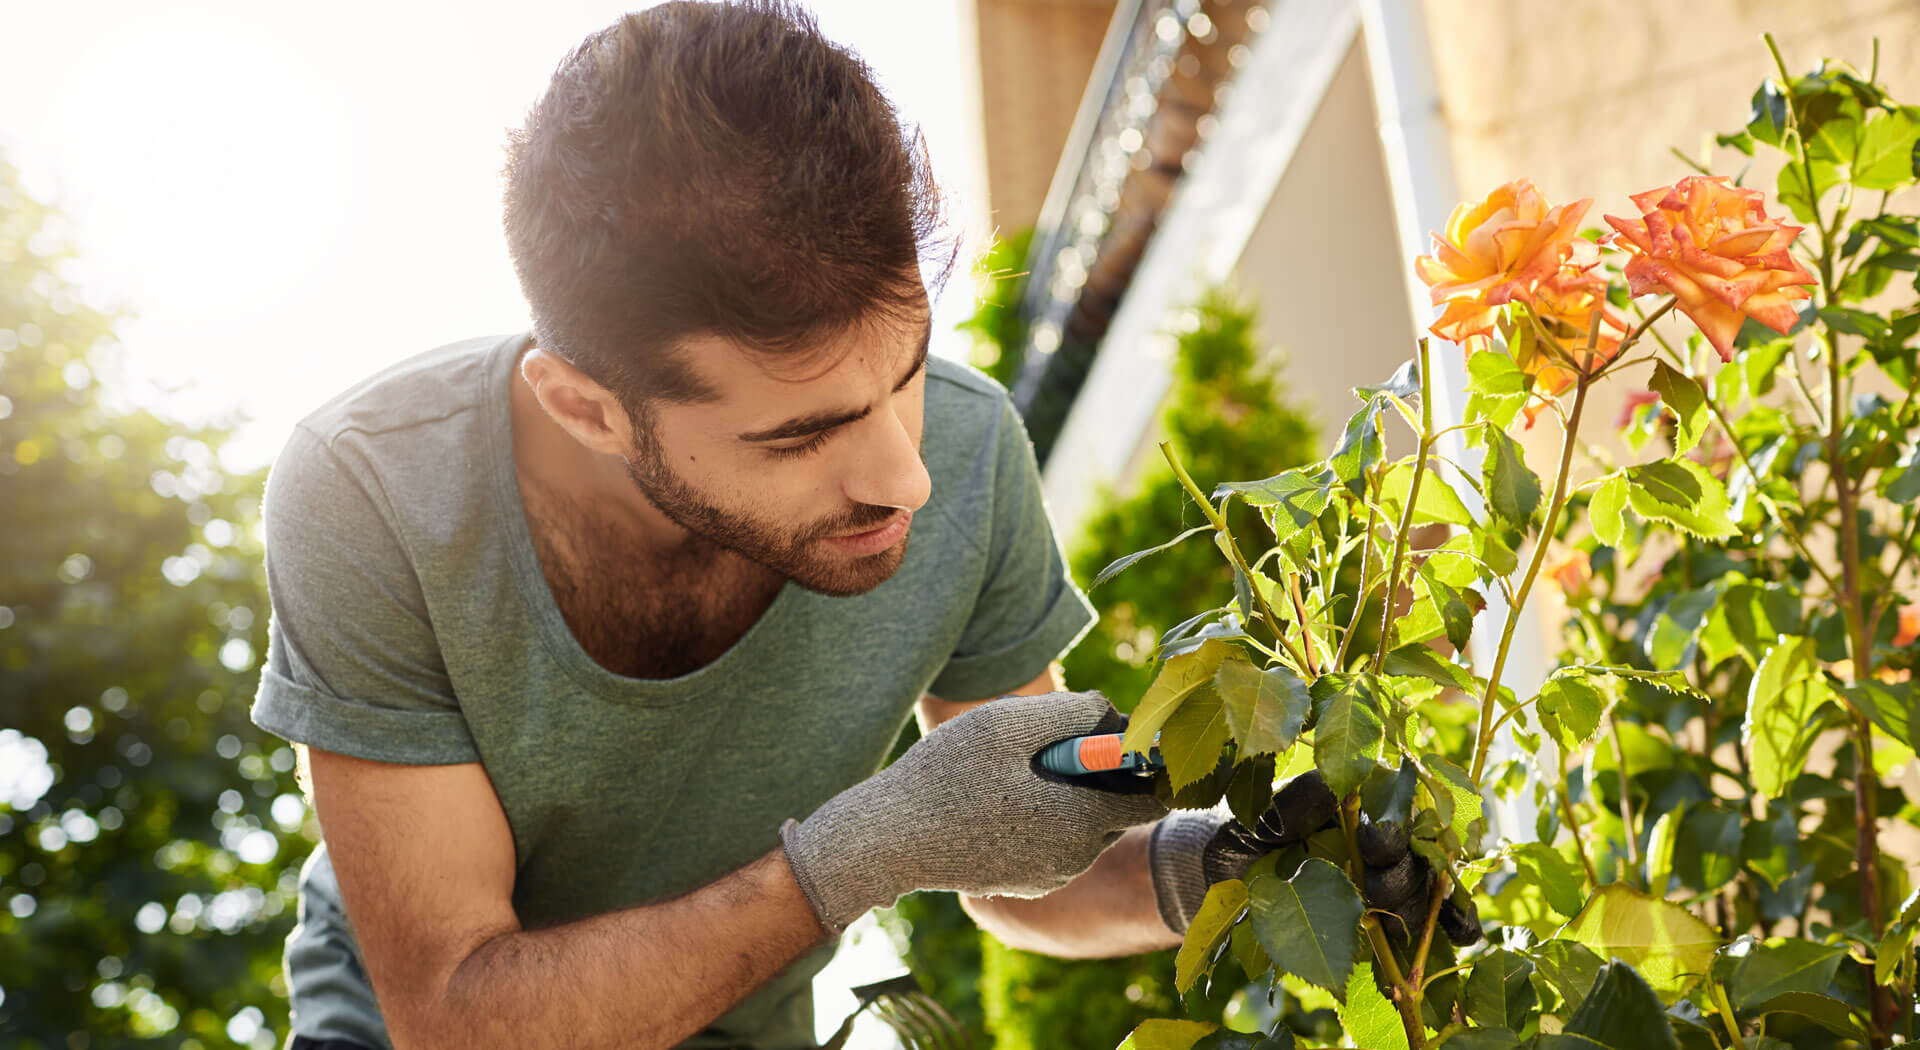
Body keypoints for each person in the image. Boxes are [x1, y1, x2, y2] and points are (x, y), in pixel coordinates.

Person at [249, 5, 1463, 1049]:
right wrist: (860, 851)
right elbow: (456, 1018)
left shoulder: (973, 451)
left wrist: (1218, 866)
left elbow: (1017, 867)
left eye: (909, 370)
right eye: (798, 435)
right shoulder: (376, 495)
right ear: (589, 409)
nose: (904, 479)